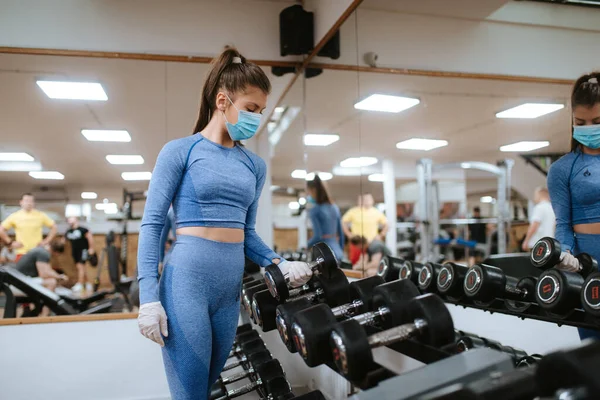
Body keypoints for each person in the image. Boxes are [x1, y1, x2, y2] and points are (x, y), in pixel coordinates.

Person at [136, 48, 313, 400]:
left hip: (227, 291)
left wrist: (279, 262)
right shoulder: (180, 151)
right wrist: (147, 297)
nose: (256, 118)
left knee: (209, 389)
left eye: (260, 112)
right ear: (222, 100)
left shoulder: (254, 166)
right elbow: (153, 223)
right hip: (187, 281)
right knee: (190, 394)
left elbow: (246, 233)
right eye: (250, 108)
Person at [547, 72, 600, 342]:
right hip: (589, 265)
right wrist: (564, 253)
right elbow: (564, 224)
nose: (589, 128)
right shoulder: (562, 169)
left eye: (598, 122)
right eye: (581, 122)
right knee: (594, 349)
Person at [0, 193, 57, 262]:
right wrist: (10, 242)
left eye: (31, 201)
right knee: (21, 273)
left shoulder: (40, 215)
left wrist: (46, 241)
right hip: (21, 252)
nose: (29, 203)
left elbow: (54, 227)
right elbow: (1, 230)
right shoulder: (15, 216)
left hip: (37, 252)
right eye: (26, 201)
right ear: (21, 202)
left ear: (33, 203)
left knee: (38, 272)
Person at [342, 194, 389, 265]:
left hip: (370, 242)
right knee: (355, 261)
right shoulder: (353, 211)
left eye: (369, 199)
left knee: (371, 262)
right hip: (357, 243)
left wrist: (381, 235)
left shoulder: (376, 212)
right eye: (365, 199)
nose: (367, 201)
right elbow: (343, 222)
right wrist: (349, 234)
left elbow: (386, 224)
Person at [306, 175, 344, 261]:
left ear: (313, 190)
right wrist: (340, 251)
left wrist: (306, 245)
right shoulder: (335, 208)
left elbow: (317, 236)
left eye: (309, 192)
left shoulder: (315, 210)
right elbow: (341, 234)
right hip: (338, 253)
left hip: (325, 255)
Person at [64, 217, 96, 293]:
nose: (70, 220)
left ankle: (80, 283)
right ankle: (87, 283)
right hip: (75, 251)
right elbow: (64, 240)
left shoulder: (83, 229)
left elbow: (90, 238)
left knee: (80, 267)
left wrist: (91, 248)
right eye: (68, 219)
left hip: (83, 250)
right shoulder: (69, 231)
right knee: (81, 268)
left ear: (75, 219)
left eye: (71, 218)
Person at [521, 187, 556, 251]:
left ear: (539, 195)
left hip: (538, 243)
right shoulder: (553, 208)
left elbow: (534, 226)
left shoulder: (539, 207)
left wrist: (526, 241)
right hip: (550, 243)